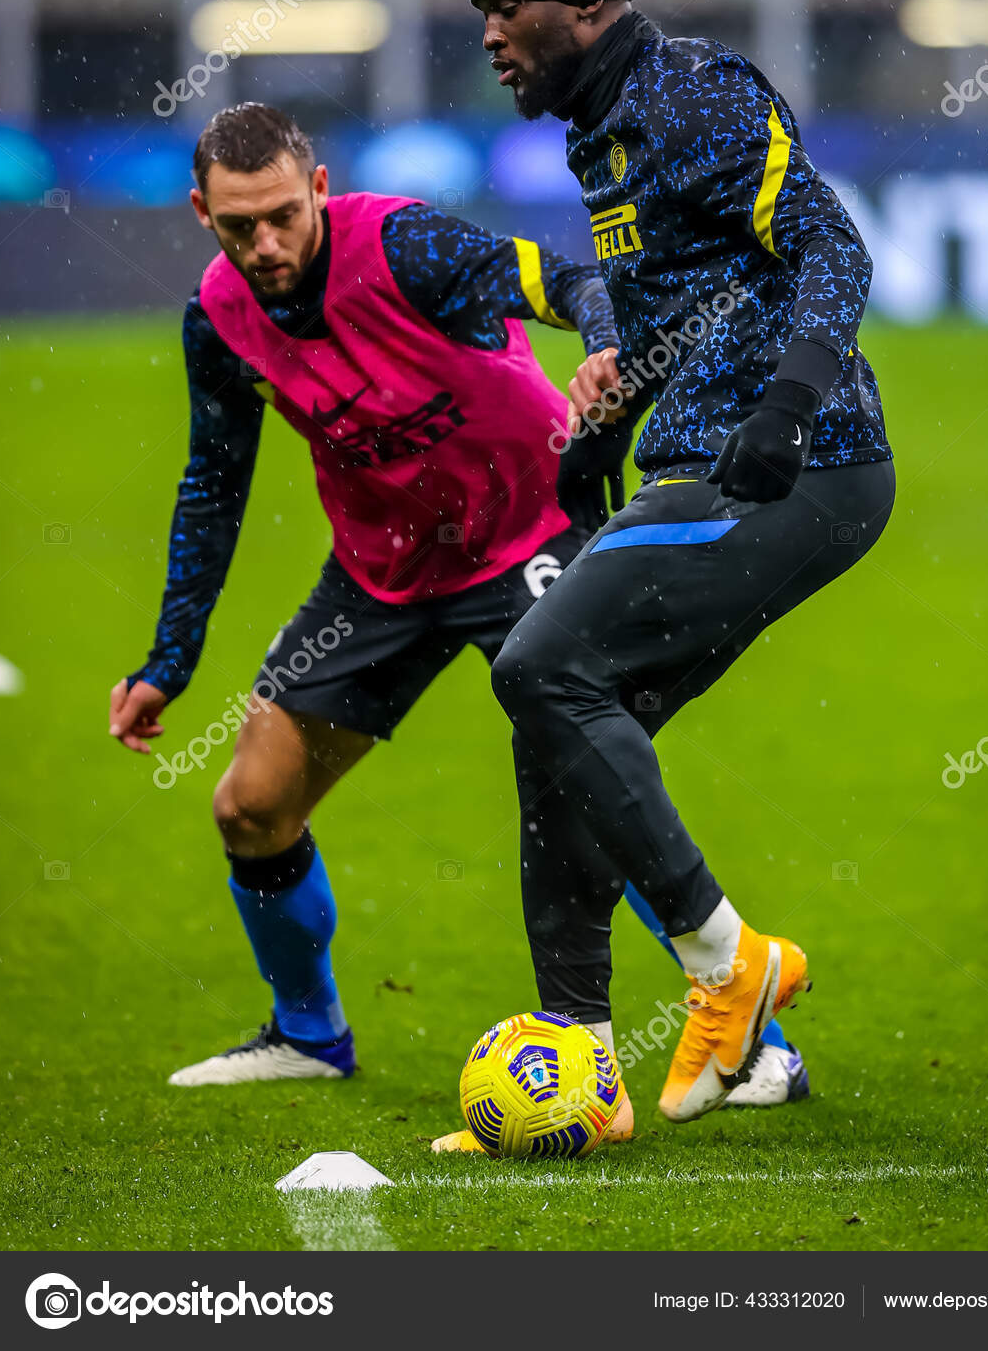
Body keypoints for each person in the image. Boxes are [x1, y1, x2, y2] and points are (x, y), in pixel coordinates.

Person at [458, 0, 895, 1131]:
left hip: (803, 466)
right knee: (563, 732)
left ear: (587, 4)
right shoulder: (596, 131)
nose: (487, 32)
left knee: (540, 665)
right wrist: (604, 414)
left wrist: (789, 404)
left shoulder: (690, 87)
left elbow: (831, 245)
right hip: (698, 460)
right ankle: (586, 1067)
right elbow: (684, 309)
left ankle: (728, 965)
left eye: (505, 6)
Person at [109, 101, 626, 1086]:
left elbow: (569, 280)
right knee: (250, 808)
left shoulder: (404, 241)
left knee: (594, 783)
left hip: (528, 535)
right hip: (380, 571)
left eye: (281, 218)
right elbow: (212, 487)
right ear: (198, 212)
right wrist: (169, 661)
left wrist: (602, 338)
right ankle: (309, 1036)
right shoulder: (217, 317)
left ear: (318, 189)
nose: (264, 245)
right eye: (236, 226)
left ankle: (744, 1024)